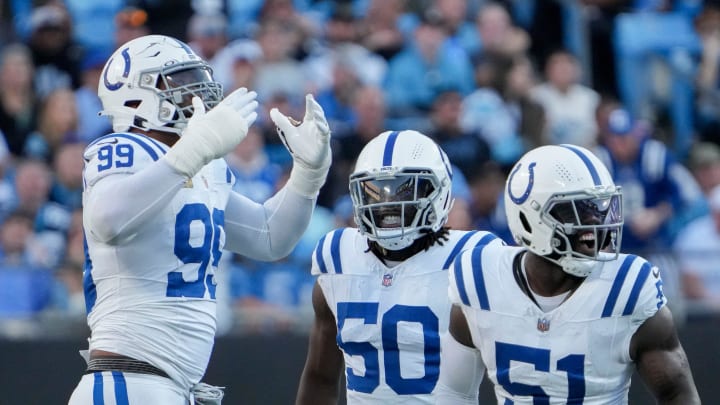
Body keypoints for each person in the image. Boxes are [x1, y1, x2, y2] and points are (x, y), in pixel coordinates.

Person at [68, 34, 332, 404]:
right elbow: (109, 221)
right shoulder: (123, 147)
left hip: (171, 385)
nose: (197, 91)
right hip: (128, 379)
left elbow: (270, 238)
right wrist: (195, 149)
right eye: (178, 81)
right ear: (135, 95)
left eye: (197, 78)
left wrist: (308, 174)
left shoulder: (203, 166)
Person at [436, 144, 700, 404]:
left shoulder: (628, 287)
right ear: (530, 218)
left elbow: (678, 395)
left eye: (599, 208)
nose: (597, 223)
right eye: (578, 210)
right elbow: (453, 391)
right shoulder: (481, 278)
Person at [295, 130, 503, 404]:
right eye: (376, 190)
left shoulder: (472, 258)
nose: (388, 204)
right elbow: (320, 377)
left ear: (438, 191)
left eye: (405, 189)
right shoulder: (338, 256)